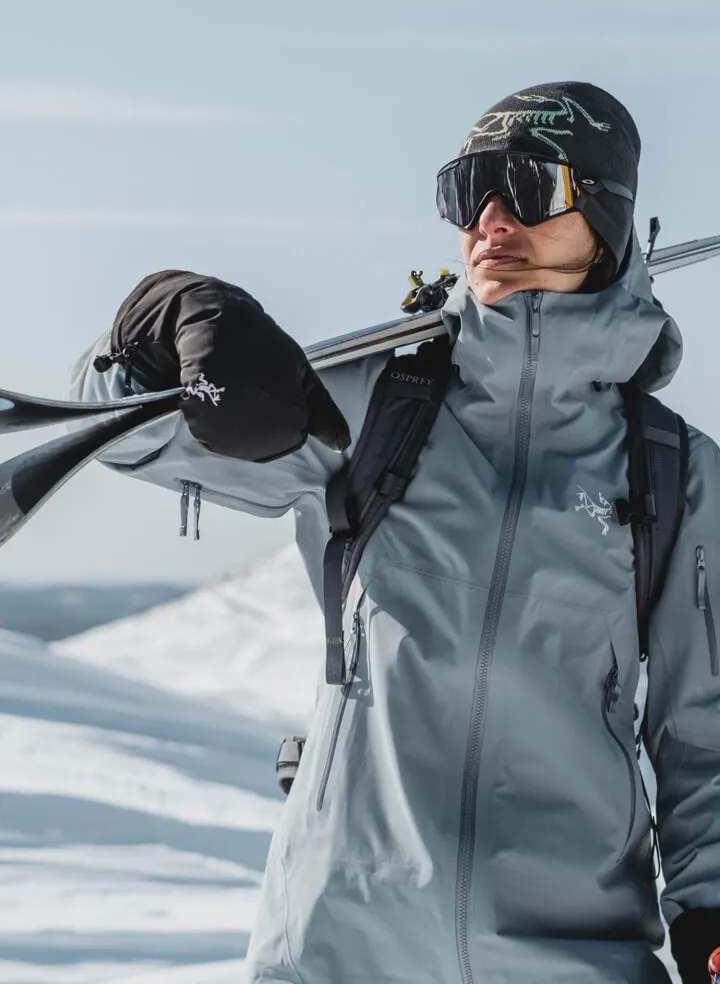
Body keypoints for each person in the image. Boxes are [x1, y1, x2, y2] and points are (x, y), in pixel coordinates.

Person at [70, 81, 720, 984]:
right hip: (336, 950)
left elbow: (704, 739)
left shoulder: (673, 471)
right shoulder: (377, 405)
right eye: (467, 191)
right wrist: (161, 323)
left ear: (602, 216)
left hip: (572, 960)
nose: (490, 217)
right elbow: (126, 436)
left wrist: (713, 922)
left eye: (526, 186)